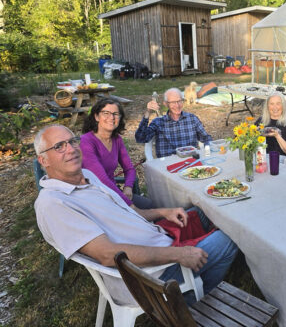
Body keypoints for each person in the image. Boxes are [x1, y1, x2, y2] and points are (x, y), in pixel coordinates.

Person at [34, 125, 238, 305]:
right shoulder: (53, 203)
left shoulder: (87, 176)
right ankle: (187, 304)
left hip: (159, 240)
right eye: (59, 146)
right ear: (43, 160)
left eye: (72, 141)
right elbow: (107, 255)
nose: (70, 149)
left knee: (203, 212)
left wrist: (163, 212)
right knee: (232, 235)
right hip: (152, 276)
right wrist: (180, 254)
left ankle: (196, 286)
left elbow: (130, 212)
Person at [81, 98, 153, 209]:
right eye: (106, 113)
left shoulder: (117, 139)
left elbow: (129, 168)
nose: (111, 117)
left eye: (116, 114)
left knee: (150, 205)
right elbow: (102, 180)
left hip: (114, 192)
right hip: (95, 198)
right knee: (142, 216)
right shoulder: (86, 142)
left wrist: (128, 186)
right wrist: (130, 205)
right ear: (96, 117)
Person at [135, 88, 212, 158]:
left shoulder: (192, 119)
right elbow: (140, 138)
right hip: (167, 165)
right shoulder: (158, 122)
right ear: (166, 104)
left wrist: (207, 151)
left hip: (190, 163)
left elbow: (206, 138)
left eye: (179, 101)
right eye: (173, 102)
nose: (177, 105)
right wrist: (148, 111)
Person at [255, 92, 286, 156]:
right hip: (260, 157)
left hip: (280, 159)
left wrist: (277, 136)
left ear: (283, 106)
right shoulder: (262, 120)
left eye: (278, 104)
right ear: (267, 106)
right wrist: (254, 133)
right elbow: (251, 139)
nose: (275, 107)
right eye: (272, 104)